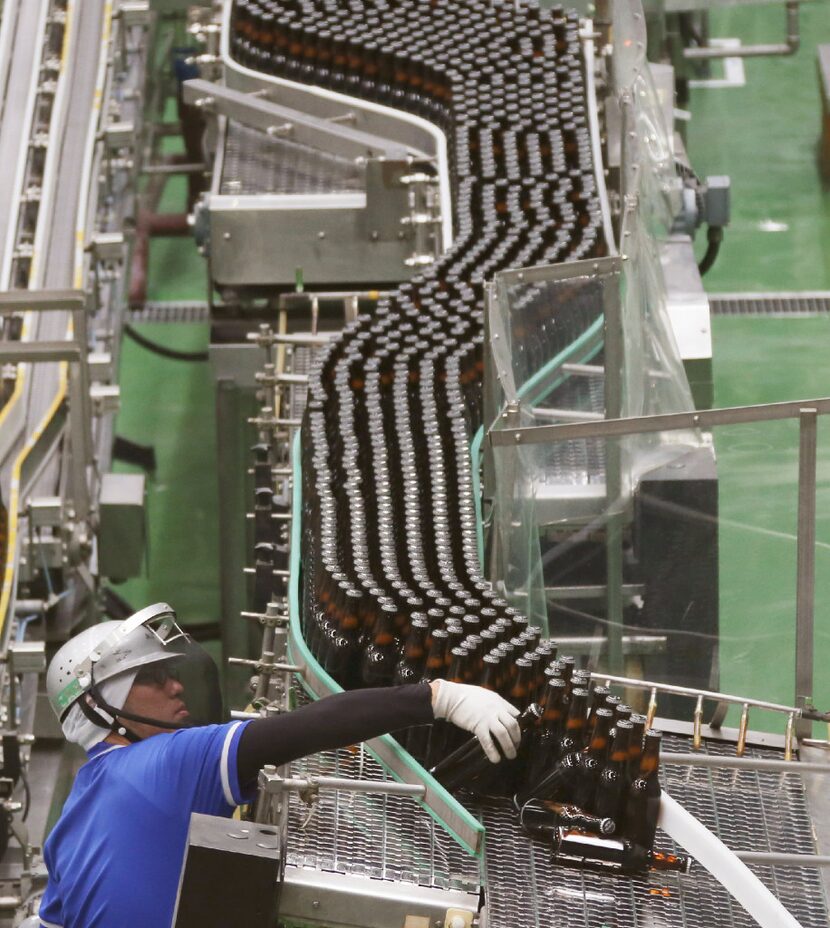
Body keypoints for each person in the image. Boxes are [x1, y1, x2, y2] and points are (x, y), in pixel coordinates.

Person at [39, 603, 521, 928]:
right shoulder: (161, 764)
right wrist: (439, 697)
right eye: (152, 678)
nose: (176, 687)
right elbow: (302, 729)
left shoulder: (67, 826)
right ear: (101, 708)